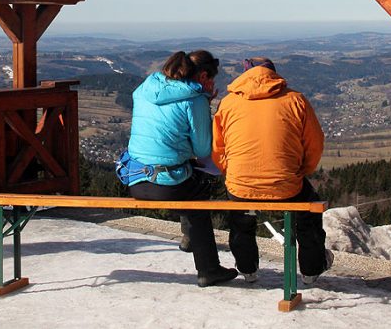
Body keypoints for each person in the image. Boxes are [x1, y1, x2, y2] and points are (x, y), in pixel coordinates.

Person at [121, 50, 237, 287]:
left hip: (134, 179)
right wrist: (205, 103)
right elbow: (203, 149)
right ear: (203, 76)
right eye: (212, 79)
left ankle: (189, 239)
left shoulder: (146, 87)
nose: (214, 84)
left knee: (188, 175)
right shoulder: (193, 100)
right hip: (165, 186)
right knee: (200, 193)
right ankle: (208, 269)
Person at [212, 57, 332, 285]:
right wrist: (301, 171)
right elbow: (314, 144)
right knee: (309, 214)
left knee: (241, 219)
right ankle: (311, 268)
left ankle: (247, 269)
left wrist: (233, 172)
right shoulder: (296, 100)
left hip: (241, 185)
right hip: (286, 185)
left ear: (244, 74)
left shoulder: (227, 103)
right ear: (274, 75)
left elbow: (218, 149)